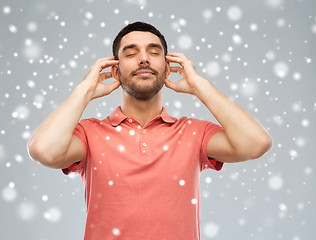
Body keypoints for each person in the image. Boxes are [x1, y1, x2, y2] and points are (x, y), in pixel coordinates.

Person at [27, 21, 272, 240]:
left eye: (154, 52)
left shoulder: (193, 133)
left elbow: (256, 143)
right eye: (131, 53)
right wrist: (84, 91)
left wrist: (200, 86)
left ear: (167, 68)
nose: (144, 59)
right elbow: (43, 150)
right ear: (114, 70)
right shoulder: (90, 133)